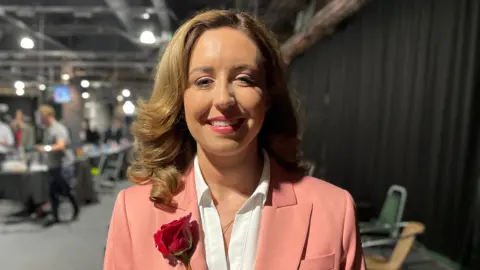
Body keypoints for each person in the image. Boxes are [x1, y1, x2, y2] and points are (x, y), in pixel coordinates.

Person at [104, 10, 365, 270]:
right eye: (203, 81)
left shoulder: (333, 208)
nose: (223, 100)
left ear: (269, 95)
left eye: (244, 79)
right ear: (178, 99)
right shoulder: (133, 210)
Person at [36, 105, 79, 227]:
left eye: (41, 116)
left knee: (66, 190)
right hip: (53, 165)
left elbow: (60, 145)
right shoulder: (47, 129)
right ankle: (55, 216)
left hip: (63, 165)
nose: (40, 119)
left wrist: (45, 148)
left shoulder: (58, 129)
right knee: (52, 192)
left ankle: (75, 209)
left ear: (48, 115)